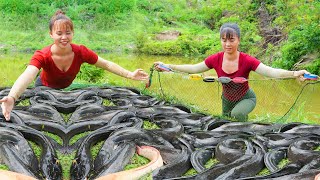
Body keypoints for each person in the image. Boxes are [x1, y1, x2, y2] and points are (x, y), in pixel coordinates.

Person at [0, 10, 148, 121]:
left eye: (68, 33)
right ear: (51, 34)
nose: (64, 37)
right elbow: (29, 74)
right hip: (44, 89)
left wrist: (130, 74)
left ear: (73, 33)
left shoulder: (81, 52)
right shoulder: (43, 55)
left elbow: (106, 64)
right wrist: (12, 97)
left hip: (68, 94)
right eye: (59, 33)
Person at [154, 23, 310, 121]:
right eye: (224, 40)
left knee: (237, 116)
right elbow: (194, 68)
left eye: (231, 40)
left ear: (238, 40)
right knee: (226, 123)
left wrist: (294, 74)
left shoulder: (247, 60)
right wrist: (168, 65)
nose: (227, 44)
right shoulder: (215, 59)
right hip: (226, 100)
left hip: (246, 98)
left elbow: (271, 72)